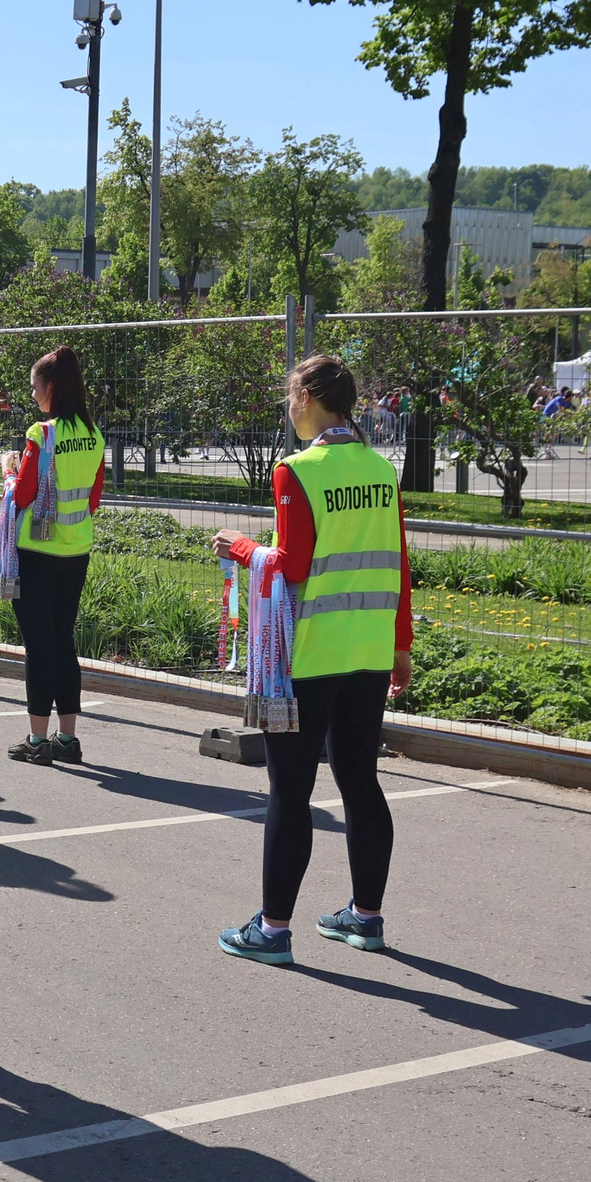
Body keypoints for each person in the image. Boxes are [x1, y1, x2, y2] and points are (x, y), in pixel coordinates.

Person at [211, 354, 413, 966]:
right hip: (368, 648)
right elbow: (398, 562)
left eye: (291, 394)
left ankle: (272, 930)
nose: (288, 405)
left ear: (307, 399)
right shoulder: (380, 468)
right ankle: (366, 918)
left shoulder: (296, 470)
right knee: (360, 781)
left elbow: (291, 564)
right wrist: (400, 645)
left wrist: (241, 547)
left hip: (307, 656)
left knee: (290, 792)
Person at [2, 345, 108, 766]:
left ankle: (36, 739)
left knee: (38, 646)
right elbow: (93, 499)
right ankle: (67, 738)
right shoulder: (94, 434)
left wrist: (9, 471)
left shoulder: (41, 435)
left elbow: (23, 494)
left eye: (35, 387)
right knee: (63, 640)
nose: (32, 395)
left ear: (51, 387)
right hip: (76, 549)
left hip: (36, 552)